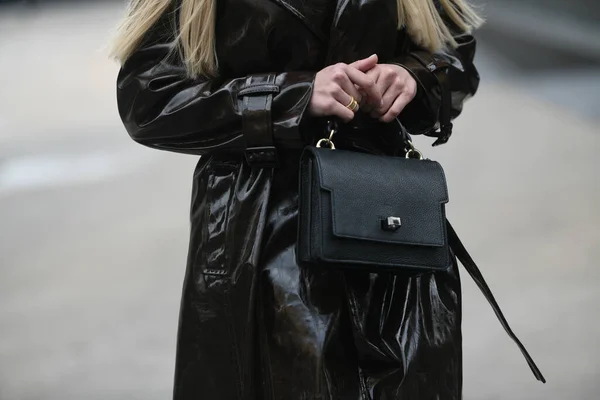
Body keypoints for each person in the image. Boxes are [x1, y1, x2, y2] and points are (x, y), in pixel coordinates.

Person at [111, 0, 482, 398]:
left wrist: (412, 77)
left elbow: (455, 51)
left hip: (386, 228)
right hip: (258, 226)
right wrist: (291, 96)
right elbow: (147, 97)